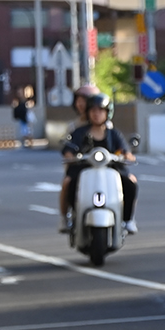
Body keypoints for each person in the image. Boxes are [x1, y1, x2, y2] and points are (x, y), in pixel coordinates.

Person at [59, 92, 139, 234]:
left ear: (107, 113)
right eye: (93, 110)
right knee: (68, 182)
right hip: (84, 169)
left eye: (100, 110)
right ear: (88, 112)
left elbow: (125, 150)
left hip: (111, 169)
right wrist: (70, 156)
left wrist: (127, 155)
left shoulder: (114, 134)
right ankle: (68, 217)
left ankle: (128, 219)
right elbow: (68, 149)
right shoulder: (79, 132)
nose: (96, 114)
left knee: (131, 181)